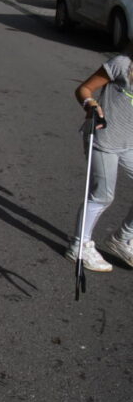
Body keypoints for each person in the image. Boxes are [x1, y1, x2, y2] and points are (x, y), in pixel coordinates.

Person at [67, 52, 133, 271]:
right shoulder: (122, 64)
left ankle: (122, 240)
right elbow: (83, 89)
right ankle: (79, 246)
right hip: (103, 138)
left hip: (129, 143)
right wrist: (91, 105)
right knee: (103, 195)